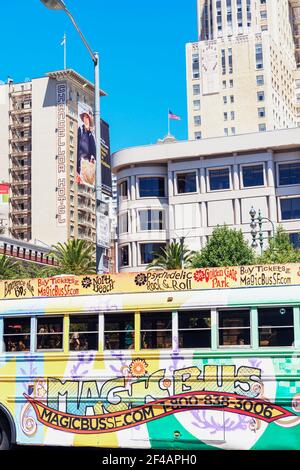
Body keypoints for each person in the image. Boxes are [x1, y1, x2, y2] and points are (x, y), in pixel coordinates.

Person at [77, 110, 96, 185]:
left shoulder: (91, 133)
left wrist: (89, 132)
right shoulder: (79, 130)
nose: (85, 119)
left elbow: (94, 150)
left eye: (87, 117)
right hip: (79, 162)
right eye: (84, 117)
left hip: (86, 162)